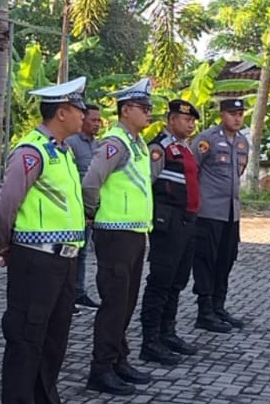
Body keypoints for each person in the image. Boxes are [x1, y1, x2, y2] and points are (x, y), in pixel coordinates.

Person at [0, 77, 88, 404]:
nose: (84, 115)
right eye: (79, 109)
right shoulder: (32, 151)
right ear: (62, 112)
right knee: (26, 338)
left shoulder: (63, 153)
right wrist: (7, 245)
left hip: (65, 261)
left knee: (54, 338)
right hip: (36, 260)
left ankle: (44, 397)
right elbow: (6, 206)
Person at [82, 77, 155, 396]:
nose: (149, 113)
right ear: (126, 110)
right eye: (144, 108)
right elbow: (90, 182)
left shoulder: (136, 143)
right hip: (115, 234)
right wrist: (92, 213)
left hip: (135, 233)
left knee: (126, 304)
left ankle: (118, 360)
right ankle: (101, 369)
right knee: (114, 304)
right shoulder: (116, 142)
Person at [140, 99, 202, 365]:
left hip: (187, 222)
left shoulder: (184, 148)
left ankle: (168, 333)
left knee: (177, 281)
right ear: (172, 119)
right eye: (186, 120)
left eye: (192, 121)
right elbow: (148, 184)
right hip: (168, 223)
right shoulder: (159, 148)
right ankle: (150, 341)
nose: (190, 125)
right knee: (160, 281)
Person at [191, 97, 251, 333]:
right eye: (231, 114)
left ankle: (218, 306)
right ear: (222, 115)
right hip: (208, 212)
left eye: (240, 114)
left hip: (231, 214)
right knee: (206, 260)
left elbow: (240, 172)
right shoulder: (207, 140)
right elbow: (192, 169)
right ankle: (204, 311)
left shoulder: (242, 143)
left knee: (226, 259)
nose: (236, 118)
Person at [65, 103, 102, 309]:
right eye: (93, 120)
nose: (97, 124)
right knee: (72, 253)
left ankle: (78, 292)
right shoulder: (71, 143)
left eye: (99, 120)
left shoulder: (98, 145)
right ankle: (68, 295)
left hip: (90, 208)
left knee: (83, 253)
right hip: (74, 207)